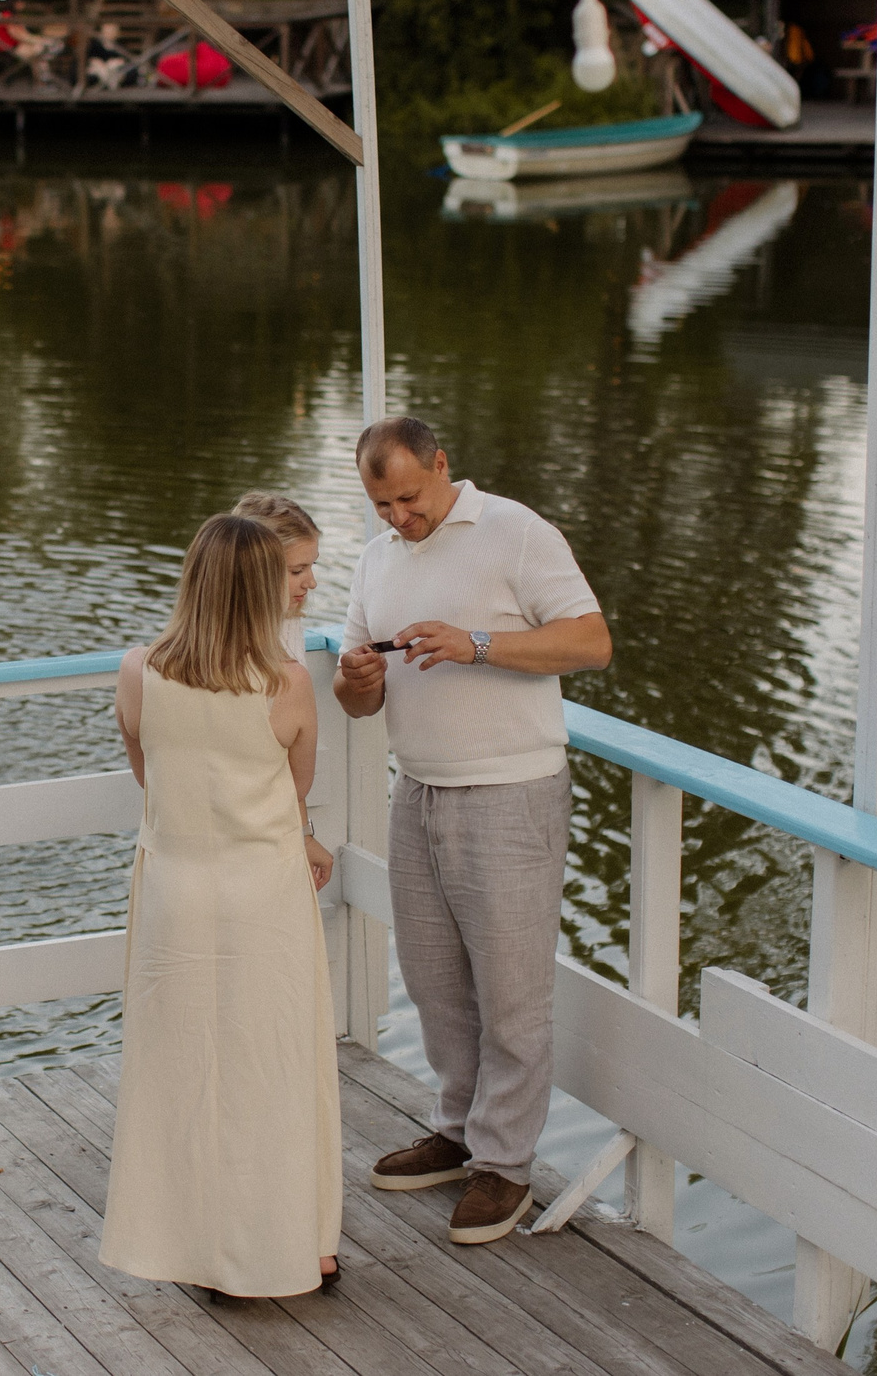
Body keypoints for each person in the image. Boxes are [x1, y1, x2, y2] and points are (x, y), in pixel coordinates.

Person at [332, 416, 611, 1245]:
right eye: (381, 503)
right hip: (416, 790)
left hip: (511, 790)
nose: (397, 518)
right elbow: (357, 702)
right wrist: (356, 677)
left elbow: (591, 643)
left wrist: (477, 643)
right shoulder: (377, 559)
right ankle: (458, 1130)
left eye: (408, 498)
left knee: (512, 993)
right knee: (434, 981)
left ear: (443, 464)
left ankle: (506, 1166)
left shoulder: (515, 531)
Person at [101, 513, 342, 1299]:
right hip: (262, 894)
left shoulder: (139, 670)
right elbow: (295, 786)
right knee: (274, 1069)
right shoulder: (288, 683)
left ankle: (194, 1245)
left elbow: (148, 774)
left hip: (175, 889)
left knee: (183, 1071)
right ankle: (293, 1246)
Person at [231, 491, 320, 663]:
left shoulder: (289, 617)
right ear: (256, 571)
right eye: (297, 571)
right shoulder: (230, 640)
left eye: (312, 565)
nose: (311, 583)